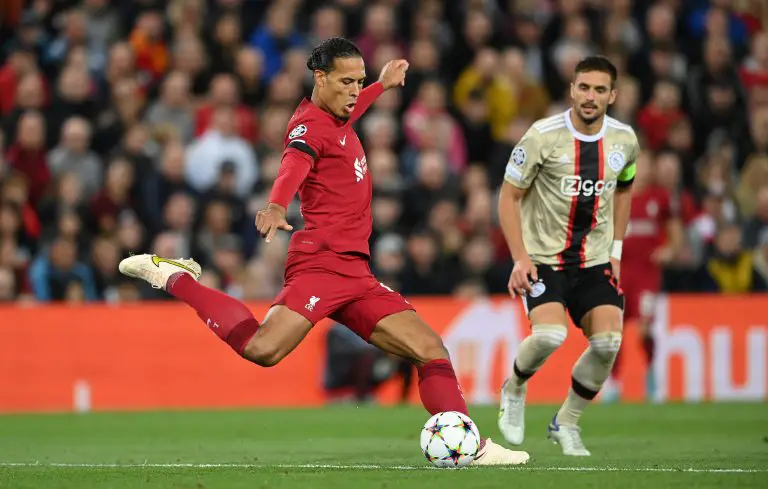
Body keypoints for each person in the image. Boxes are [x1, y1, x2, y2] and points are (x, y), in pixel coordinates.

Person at [118, 37, 528, 466]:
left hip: (357, 273)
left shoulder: (339, 117)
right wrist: (277, 204)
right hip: (322, 265)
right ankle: (174, 276)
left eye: (359, 82)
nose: (355, 90)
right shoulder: (309, 126)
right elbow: (295, 161)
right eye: (347, 82)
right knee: (262, 349)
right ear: (320, 78)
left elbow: (352, 110)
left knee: (431, 349)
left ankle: (470, 448)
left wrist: (383, 85)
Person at [496, 56, 640, 456]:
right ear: (572, 90)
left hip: (593, 260)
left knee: (609, 342)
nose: (589, 97)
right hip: (544, 258)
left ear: (612, 95)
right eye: (583, 87)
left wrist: (616, 250)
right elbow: (508, 196)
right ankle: (514, 387)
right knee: (549, 335)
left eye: (598, 89)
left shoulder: (625, 141)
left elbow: (625, 188)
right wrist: (520, 257)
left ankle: (567, 422)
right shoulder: (543, 136)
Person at [601, 151, 684, 403]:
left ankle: (651, 373)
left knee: (644, 330)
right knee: (614, 330)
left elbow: (675, 231)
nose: (644, 169)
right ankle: (614, 383)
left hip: (647, 273)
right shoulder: (616, 197)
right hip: (619, 273)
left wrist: (670, 249)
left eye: (647, 163)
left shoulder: (659, 198)